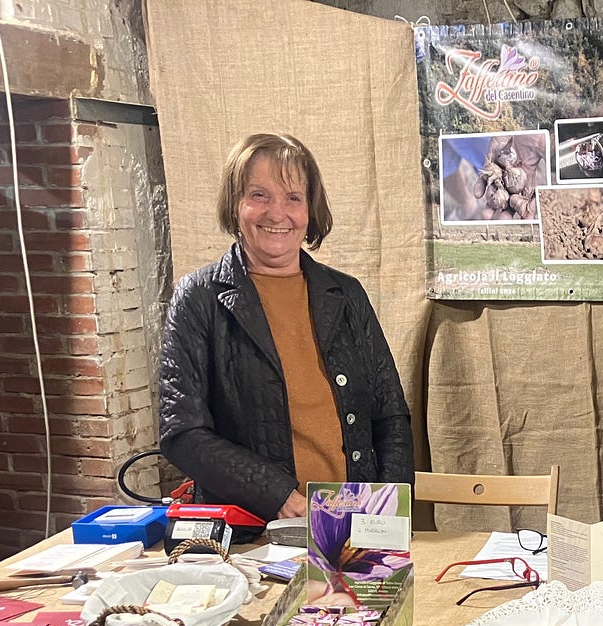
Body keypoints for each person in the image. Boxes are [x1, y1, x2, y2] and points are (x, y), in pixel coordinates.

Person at [158, 133, 413, 522]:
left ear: (310, 209)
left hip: (354, 522)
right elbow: (182, 433)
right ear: (235, 204)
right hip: (252, 530)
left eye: (293, 197)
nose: (277, 213)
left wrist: (388, 515)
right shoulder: (198, 298)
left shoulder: (346, 294)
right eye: (259, 195)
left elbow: (390, 415)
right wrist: (278, 496)